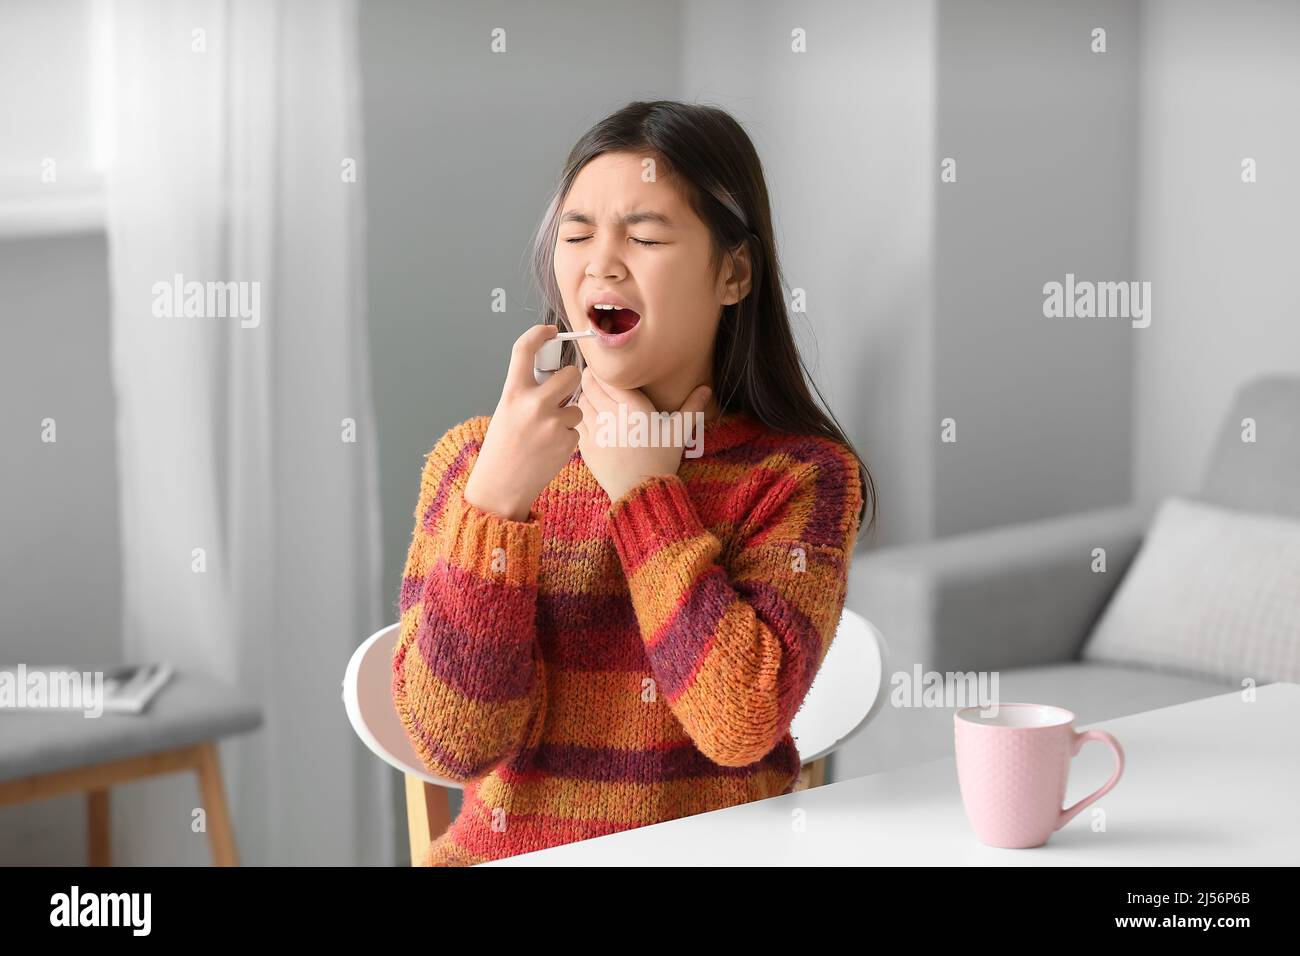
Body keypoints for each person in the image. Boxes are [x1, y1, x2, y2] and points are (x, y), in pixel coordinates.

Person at [393, 100, 876, 866]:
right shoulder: (474, 462)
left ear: (734, 272)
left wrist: (647, 500)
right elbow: (450, 742)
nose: (600, 262)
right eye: (577, 233)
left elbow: (740, 723)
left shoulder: (803, 478)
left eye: (645, 235)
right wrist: (495, 503)